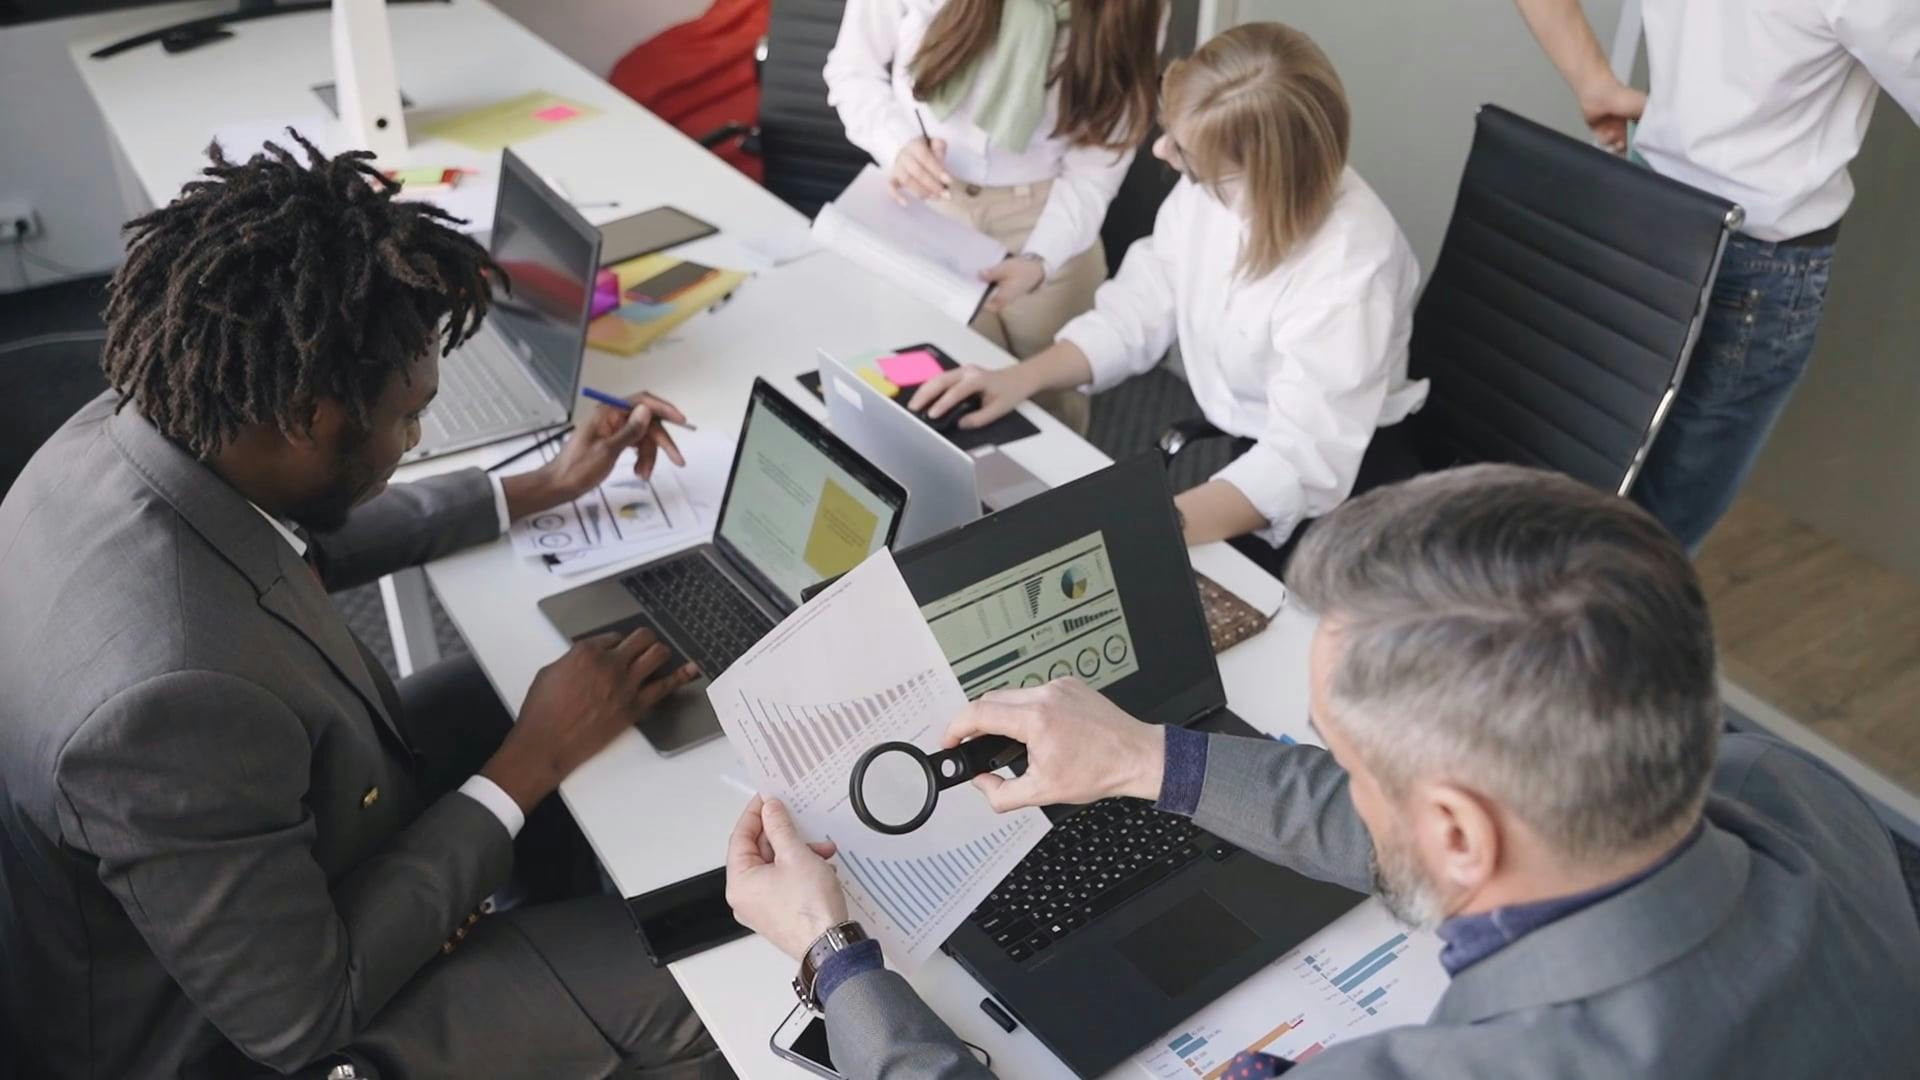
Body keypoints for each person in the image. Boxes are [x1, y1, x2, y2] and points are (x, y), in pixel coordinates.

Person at [724, 464, 1920, 1077]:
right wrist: (1148, 760)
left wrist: (836, 958)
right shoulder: (1797, 796)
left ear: (1459, 835)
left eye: (1347, 766)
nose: (1337, 787)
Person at [0, 137, 723, 1079]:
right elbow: (302, 1013)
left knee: (514, 685)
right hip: (233, 1036)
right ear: (307, 419)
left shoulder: (130, 426)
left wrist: (537, 486)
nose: (415, 439)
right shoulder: (161, 703)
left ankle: (527, 890)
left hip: (234, 856)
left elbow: (294, 531)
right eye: (407, 418)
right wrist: (528, 764)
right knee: (701, 980)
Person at [908, 23, 1423, 557]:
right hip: (1249, 451)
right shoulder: (1218, 191)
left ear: (1261, 177)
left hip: (1338, 488)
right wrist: (1018, 378)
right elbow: (1138, 310)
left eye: (1188, 157)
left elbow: (1300, 462)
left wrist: (1145, 527)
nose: (1161, 151)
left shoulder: (1349, 269)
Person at [1512, 0, 1920, 550]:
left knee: (1587, 476)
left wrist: (1594, 83)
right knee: (1650, 539)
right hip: (1757, 262)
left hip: (1644, 208)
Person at [824, 0, 1166, 433]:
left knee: (1050, 415)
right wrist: (898, 145)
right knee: (933, 399)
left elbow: (1098, 166)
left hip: (1051, 220)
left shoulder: (1131, 8)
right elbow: (852, 69)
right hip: (930, 209)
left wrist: (1041, 258)